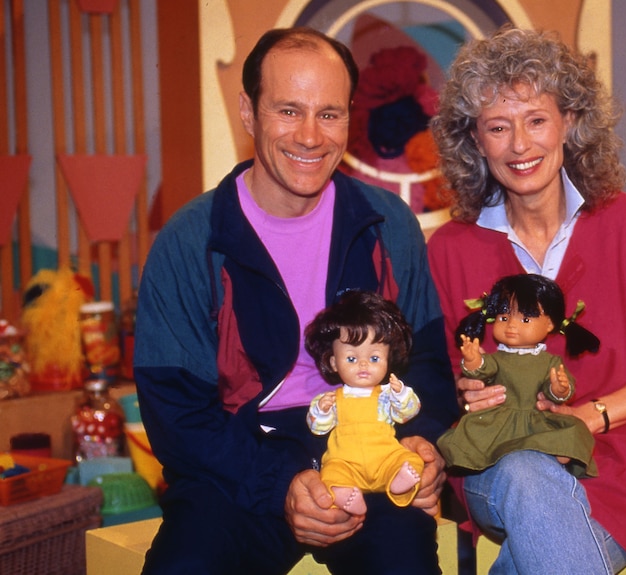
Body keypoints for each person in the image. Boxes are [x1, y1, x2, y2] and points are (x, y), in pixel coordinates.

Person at [133, 27, 459, 575]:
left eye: (329, 114)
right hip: (239, 464)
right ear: (248, 110)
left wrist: (426, 447)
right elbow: (177, 415)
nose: (310, 136)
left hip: (368, 455)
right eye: (288, 110)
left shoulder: (388, 226)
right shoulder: (191, 240)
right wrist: (279, 484)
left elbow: (427, 364)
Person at [427, 26, 626, 574]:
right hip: (497, 464)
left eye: (536, 120)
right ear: (475, 140)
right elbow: (437, 373)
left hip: (622, 476)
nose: (520, 146)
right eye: (499, 127)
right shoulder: (450, 248)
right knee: (524, 471)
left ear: (569, 122)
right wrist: (467, 385)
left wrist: (590, 417)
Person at [436, 273, 598, 478]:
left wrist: (559, 389)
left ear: (549, 324)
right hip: (501, 420)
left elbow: (556, 391)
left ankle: (559, 449)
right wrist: (472, 360)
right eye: (504, 318)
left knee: (575, 429)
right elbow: (484, 370)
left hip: (535, 419)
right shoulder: (499, 358)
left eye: (525, 318)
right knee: (470, 433)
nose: (511, 325)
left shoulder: (549, 361)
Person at [304, 290, 424, 515]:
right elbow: (317, 428)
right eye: (351, 358)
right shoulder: (332, 399)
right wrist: (321, 411)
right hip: (346, 463)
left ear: (388, 360)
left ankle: (398, 485)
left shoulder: (388, 393)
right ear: (334, 363)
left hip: (384, 460)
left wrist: (400, 395)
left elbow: (408, 412)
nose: (363, 365)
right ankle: (343, 493)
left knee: (411, 460)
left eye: (375, 358)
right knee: (331, 472)